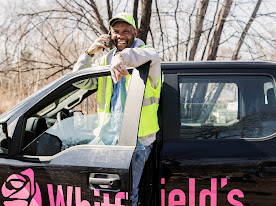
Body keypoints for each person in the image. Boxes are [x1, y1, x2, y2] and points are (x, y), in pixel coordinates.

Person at [73, 13, 161, 206]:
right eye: (116, 31)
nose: (120, 35)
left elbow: (146, 55)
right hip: (107, 139)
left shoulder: (147, 54)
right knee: (104, 198)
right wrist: (89, 53)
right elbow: (80, 82)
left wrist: (121, 58)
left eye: (126, 31)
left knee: (128, 197)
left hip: (136, 141)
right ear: (110, 34)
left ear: (135, 33)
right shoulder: (105, 61)